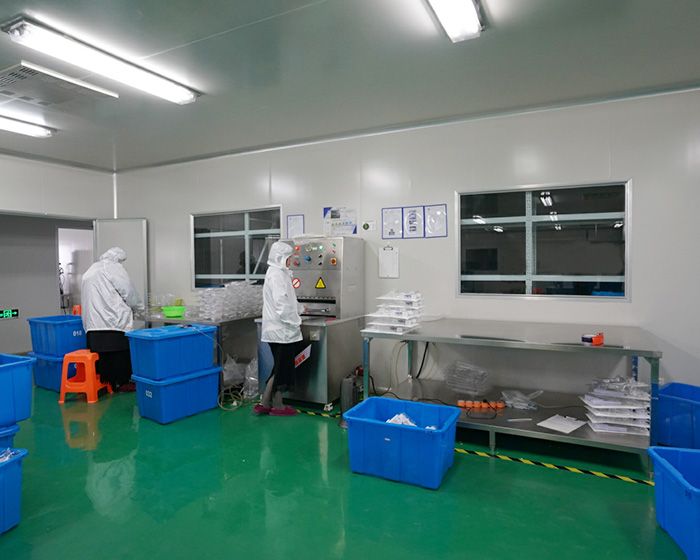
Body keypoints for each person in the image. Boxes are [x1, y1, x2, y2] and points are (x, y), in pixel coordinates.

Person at [81, 247, 142, 393]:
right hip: (113, 323)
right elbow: (129, 292)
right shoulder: (114, 268)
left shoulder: (91, 270)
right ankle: (122, 382)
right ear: (119, 259)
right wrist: (139, 308)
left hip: (93, 325)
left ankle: (106, 383)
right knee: (119, 355)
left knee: (102, 358)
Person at [255, 241, 302, 416]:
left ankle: (265, 403)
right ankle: (277, 406)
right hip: (281, 330)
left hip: (279, 330)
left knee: (279, 367)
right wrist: (295, 320)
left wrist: (301, 309)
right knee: (282, 370)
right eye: (289, 258)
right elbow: (282, 304)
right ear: (281, 258)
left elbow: (289, 300)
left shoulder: (279, 273)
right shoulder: (276, 275)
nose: (291, 261)